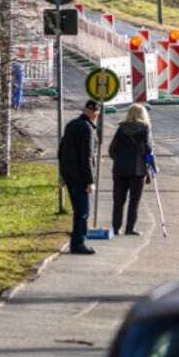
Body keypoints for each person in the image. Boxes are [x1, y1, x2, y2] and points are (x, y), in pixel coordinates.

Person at [107, 103, 156, 237]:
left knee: (118, 201)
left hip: (119, 169)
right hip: (137, 170)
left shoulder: (121, 128)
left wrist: (118, 159)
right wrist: (152, 167)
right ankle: (130, 228)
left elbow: (112, 149)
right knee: (134, 201)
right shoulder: (145, 128)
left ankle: (116, 228)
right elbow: (148, 149)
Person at [58, 100, 100, 255]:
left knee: (78, 210)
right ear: (96, 114)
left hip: (69, 174)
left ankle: (77, 241)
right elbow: (87, 157)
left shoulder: (72, 124)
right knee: (83, 211)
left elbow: (61, 150)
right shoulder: (88, 129)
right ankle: (78, 243)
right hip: (80, 176)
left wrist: (62, 173)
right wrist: (90, 181)